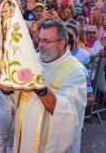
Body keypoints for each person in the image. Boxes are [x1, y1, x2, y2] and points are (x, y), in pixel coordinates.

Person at [14, 20, 87, 153]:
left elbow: (69, 112)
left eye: (46, 41)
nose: (40, 45)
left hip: (48, 143)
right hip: (25, 134)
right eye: (39, 39)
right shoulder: (33, 60)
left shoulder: (75, 71)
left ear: (61, 43)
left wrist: (40, 88)